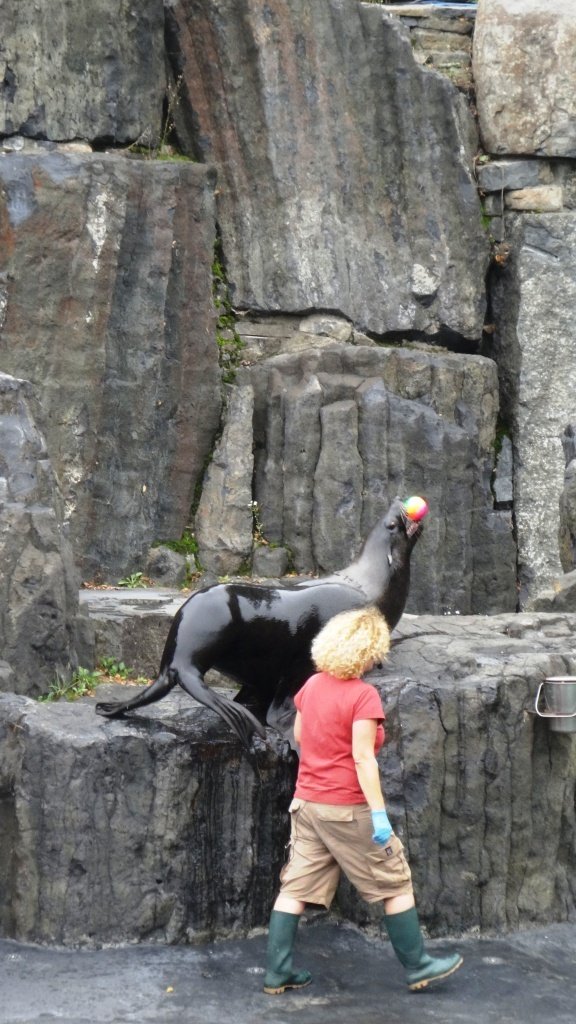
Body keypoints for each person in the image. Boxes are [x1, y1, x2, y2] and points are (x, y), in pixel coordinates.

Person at [263, 605, 462, 995]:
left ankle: (278, 972)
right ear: (368, 652)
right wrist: (378, 815)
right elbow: (362, 757)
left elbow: (300, 737)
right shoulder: (362, 696)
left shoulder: (312, 686)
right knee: (395, 883)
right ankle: (418, 965)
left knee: (296, 888)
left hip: (307, 805)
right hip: (347, 808)